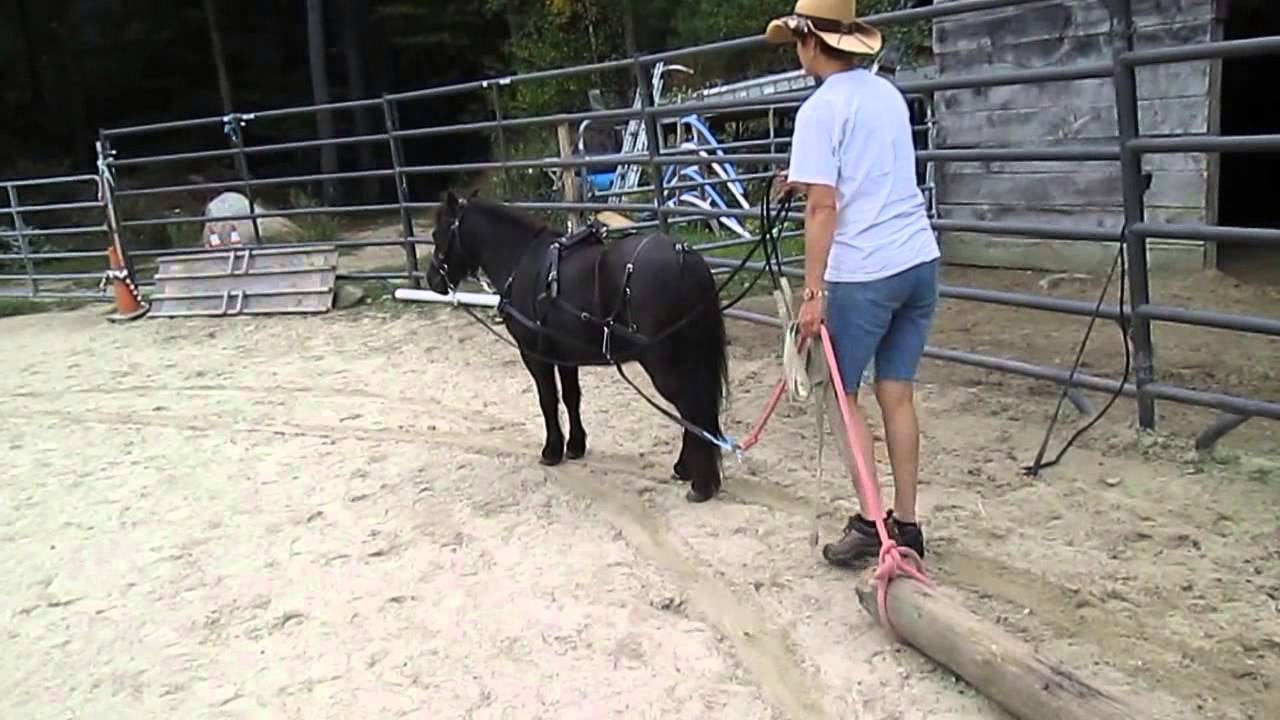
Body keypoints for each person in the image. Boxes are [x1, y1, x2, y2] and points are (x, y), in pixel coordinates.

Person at [764, 1, 940, 566]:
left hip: (865, 271)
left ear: (811, 43)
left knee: (842, 397)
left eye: (797, 40)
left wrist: (812, 294)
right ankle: (906, 523)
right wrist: (804, 175)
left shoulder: (818, 110)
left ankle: (870, 522)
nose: (796, 50)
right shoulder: (885, 93)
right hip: (918, 260)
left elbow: (824, 207)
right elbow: (866, 167)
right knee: (898, 393)